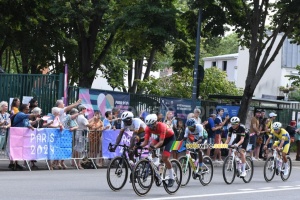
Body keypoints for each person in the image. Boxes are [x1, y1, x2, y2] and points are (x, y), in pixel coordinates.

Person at [138, 114, 176, 187]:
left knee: (164, 157)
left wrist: (154, 147)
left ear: (155, 122)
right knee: (150, 147)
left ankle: (172, 177)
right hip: (162, 138)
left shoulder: (162, 126)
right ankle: (157, 165)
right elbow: (145, 142)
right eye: (148, 126)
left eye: (151, 125)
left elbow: (161, 142)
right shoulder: (148, 128)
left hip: (171, 138)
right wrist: (138, 146)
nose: (150, 128)